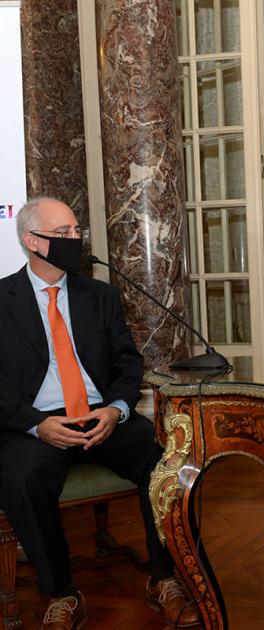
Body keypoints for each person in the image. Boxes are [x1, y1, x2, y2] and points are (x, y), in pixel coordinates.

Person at [0, 198, 200, 629]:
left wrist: (116, 410)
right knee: (19, 473)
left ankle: (165, 577)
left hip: (101, 416)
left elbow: (127, 364)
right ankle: (62, 593)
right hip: (39, 423)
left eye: (77, 231)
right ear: (33, 241)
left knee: (166, 459)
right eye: (65, 233)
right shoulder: (1, 300)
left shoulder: (101, 296)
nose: (76, 240)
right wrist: (37, 425)